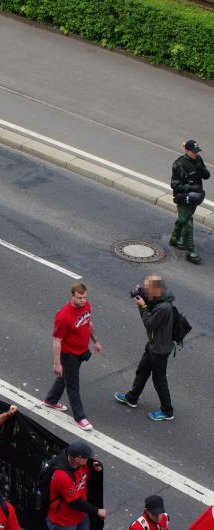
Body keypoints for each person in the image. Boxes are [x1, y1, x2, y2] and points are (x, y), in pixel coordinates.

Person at [115, 275, 176, 421]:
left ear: (156, 290)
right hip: (154, 345)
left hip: (159, 349)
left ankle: (167, 411)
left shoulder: (163, 308)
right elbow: (152, 303)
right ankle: (132, 398)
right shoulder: (161, 297)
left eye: (148, 290)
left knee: (159, 380)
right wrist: (141, 292)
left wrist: (142, 307)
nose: (146, 292)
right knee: (142, 370)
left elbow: (149, 323)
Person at [43, 282, 101, 431]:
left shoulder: (87, 306)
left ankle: (50, 400)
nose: (83, 300)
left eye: (85, 297)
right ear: (72, 296)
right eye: (80, 298)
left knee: (65, 378)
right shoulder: (63, 316)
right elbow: (57, 340)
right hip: (69, 355)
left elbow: (89, 324)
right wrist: (57, 363)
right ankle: (80, 417)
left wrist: (96, 341)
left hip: (81, 351)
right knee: (73, 385)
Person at [46, 441, 106, 530]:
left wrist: (96, 470)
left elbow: (87, 480)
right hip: (64, 522)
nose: (88, 459)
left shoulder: (82, 465)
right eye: (86, 457)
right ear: (77, 459)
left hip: (81, 516)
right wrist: (97, 511)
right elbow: (75, 502)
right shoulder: (62, 476)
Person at [169, 140, 209, 264]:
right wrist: (190, 188)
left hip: (195, 197)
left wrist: (201, 169)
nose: (195, 154)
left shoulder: (198, 159)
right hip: (183, 197)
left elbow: (207, 176)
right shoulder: (179, 164)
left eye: (197, 151)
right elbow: (174, 184)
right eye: (193, 152)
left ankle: (174, 239)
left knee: (183, 219)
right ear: (187, 150)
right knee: (188, 223)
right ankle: (191, 251)